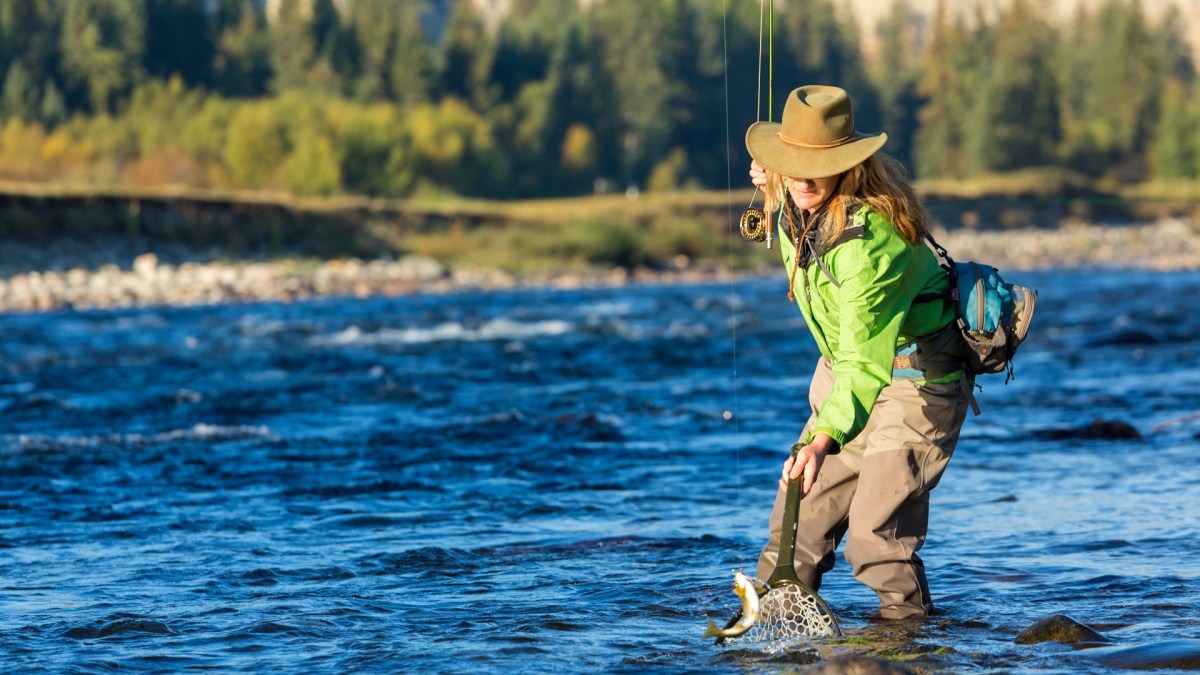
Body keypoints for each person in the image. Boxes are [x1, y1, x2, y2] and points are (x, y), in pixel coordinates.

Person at [745, 84, 970, 620]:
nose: (800, 177)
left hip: (914, 382)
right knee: (792, 531)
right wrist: (774, 177)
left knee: (874, 541)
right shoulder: (796, 200)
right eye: (790, 161)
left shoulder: (872, 243)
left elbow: (867, 363)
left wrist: (822, 440)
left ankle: (907, 647)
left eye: (814, 165)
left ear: (848, 166)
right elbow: (850, 363)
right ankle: (770, 645)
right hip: (843, 376)